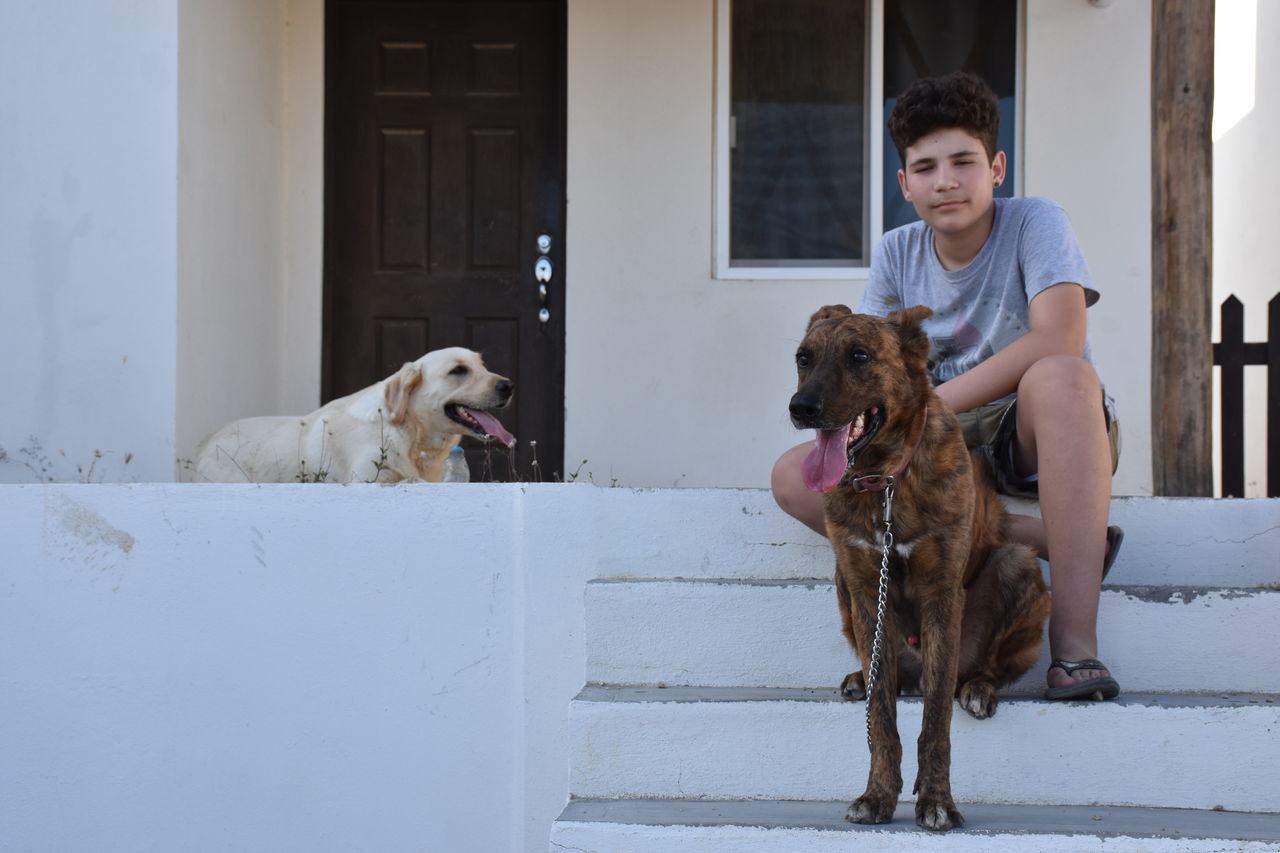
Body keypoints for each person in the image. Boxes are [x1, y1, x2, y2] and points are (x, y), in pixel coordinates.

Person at [771, 71, 1122, 701]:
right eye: (926, 167)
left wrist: (929, 404)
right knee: (793, 478)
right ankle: (1050, 538)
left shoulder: (1035, 223)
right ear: (904, 184)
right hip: (939, 452)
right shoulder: (897, 252)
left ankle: (1075, 650)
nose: (946, 180)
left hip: (1037, 428)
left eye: (963, 161)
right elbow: (866, 363)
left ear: (997, 167)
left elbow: (1061, 336)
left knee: (1064, 375)